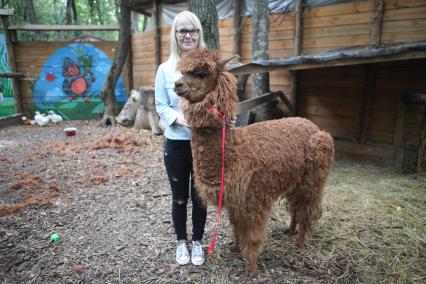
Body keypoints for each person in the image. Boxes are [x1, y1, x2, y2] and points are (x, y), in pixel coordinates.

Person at [154, 11, 208, 266]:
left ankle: (196, 241)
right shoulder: (165, 70)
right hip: (177, 142)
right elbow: (160, 105)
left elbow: (220, 102)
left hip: (205, 143)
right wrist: (179, 119)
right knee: (179, 196)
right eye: (182, 31)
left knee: (200, 195)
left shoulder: (208, 68)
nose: (188, 35)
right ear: (175, 35)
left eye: (193, 30)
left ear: (199, 33)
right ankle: (180, 242)